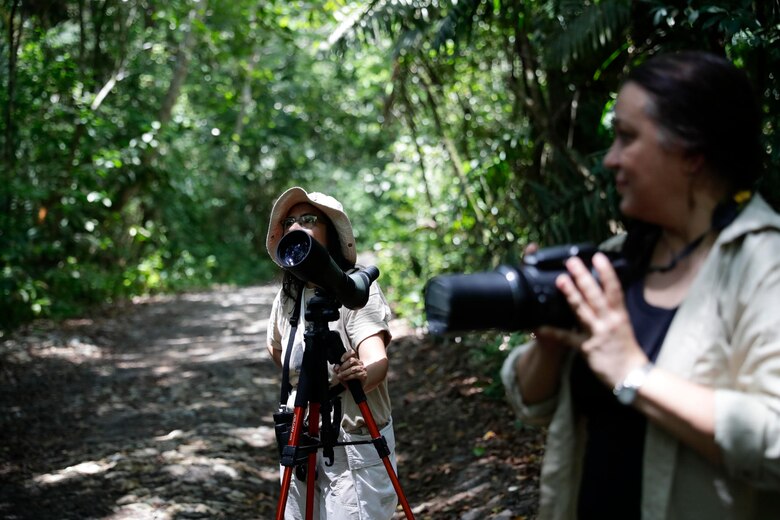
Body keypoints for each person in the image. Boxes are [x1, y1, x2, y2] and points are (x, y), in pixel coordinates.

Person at [501, 50, 780, 519]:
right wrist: (548, 344)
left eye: (627, 138)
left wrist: (633, 371)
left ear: (691, 152)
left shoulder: (763, 262)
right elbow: (531, 404)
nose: (610, 160)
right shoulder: (614, 261)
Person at [265, 186, 399, 519]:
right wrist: (308, 378)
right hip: (303, 435)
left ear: (331, 233)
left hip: (353, 441)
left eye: (309, 220)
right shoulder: (289, 295)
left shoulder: (352, 289)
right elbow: (277, 349)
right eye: (290, 221)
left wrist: (358, 375)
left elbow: (376, 358)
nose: (296, 227)